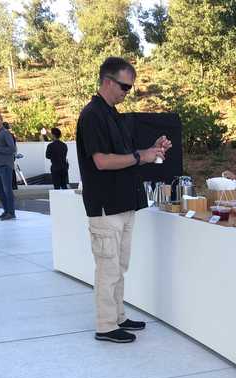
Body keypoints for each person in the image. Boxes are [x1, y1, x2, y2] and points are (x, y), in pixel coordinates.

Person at [76, 56, 171, 344]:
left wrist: (150, 151)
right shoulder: (92, 115)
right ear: (107, 81)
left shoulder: (112, 115)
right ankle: (105, 325)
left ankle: (118, 315)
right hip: (105, 205)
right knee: (107, 267)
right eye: (125, 87)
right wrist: (141, 156)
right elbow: (102, 162)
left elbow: (127, 158)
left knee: (119, 266)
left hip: (124, 203)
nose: (127, 92)